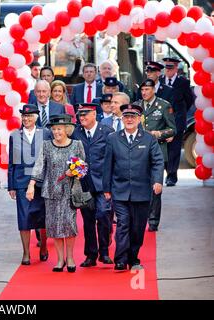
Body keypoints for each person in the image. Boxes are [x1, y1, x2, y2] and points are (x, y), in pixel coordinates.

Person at [103, 104, 164, 270]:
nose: (129, 119)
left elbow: (157, 162)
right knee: (123, 224)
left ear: (139, 119)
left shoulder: (149, 139)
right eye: (126, 116)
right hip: (119, 190)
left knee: (137, 227)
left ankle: (133, 257)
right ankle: (121, 259)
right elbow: (107, 164)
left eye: (133, 117)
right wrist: (106, 188)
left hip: (142, 191)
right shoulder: (113, 138)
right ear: (122, 118)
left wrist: (157, 181)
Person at [27, 114, 85, 273]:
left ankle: (71, 258)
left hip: (69, 191)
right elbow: (39, 166)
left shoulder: (76, 145)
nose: (56, 132)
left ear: (67, 129)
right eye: (53, 129)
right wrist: (31, 184)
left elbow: (83, 167)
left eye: (59, 129)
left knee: (69, 225)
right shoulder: (46, 146)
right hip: (51, 191)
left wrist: (75, 171)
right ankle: (60, 260)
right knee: (54, 227)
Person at [71, 103, 115, 267]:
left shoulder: (107, 132)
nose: (82, 118)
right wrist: (79, 174)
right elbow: (73, 157)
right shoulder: (76, 133)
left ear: (94, 114)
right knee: (88, 220)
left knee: (103, 215)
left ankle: (104, 251)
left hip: (103, 184)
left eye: (85, 114)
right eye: (80, 115)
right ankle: (90, 255)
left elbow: (111, 158)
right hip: (84, 183)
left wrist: (111, 183)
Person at [8, 104, 51, 265]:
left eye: (30, 116)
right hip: (21, 181)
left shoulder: (45, 133)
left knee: (42, 216)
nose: (26, 119)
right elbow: (12, 162)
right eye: (24, 116)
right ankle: (26, 253)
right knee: (24, 217)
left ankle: (44, 246)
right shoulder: (15, 135)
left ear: (36, 117)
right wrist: (11, 185)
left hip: (42, 180)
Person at [135, 79, 176, 232]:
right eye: (142, 89)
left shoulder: (163, 105)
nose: (144, 92)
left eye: (147, 89)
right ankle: (141, 217)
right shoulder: (137, 106)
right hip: (138, 152)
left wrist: (158, 134)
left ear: (154, 90)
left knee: (155, 187)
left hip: (156, 151)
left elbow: (173, 129)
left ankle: (153, 221)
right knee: (140, 186)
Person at [160, 57, 194, 186]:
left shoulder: (183, 82)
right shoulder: (160, 81)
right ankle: (166, 171)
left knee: (174, 149)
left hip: (177, 121)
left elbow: (189, 100)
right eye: (167, 68)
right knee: (164, 149)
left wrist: (181, 112)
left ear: (176, 68)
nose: (168, 70)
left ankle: (171, 177)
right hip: (162, 122)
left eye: (171, 68)